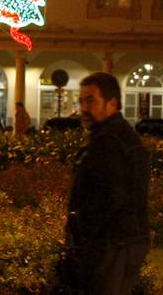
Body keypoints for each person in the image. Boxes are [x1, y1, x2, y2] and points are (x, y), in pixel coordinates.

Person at [62, 71, 150, 295]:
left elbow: (112, 197)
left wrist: (83, 235)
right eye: (81, 101)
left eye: (90, 100)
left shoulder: (108, 141)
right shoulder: (124, 136)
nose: (83, 108)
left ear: (112, 103)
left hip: (110, 245)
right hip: (125, 241)